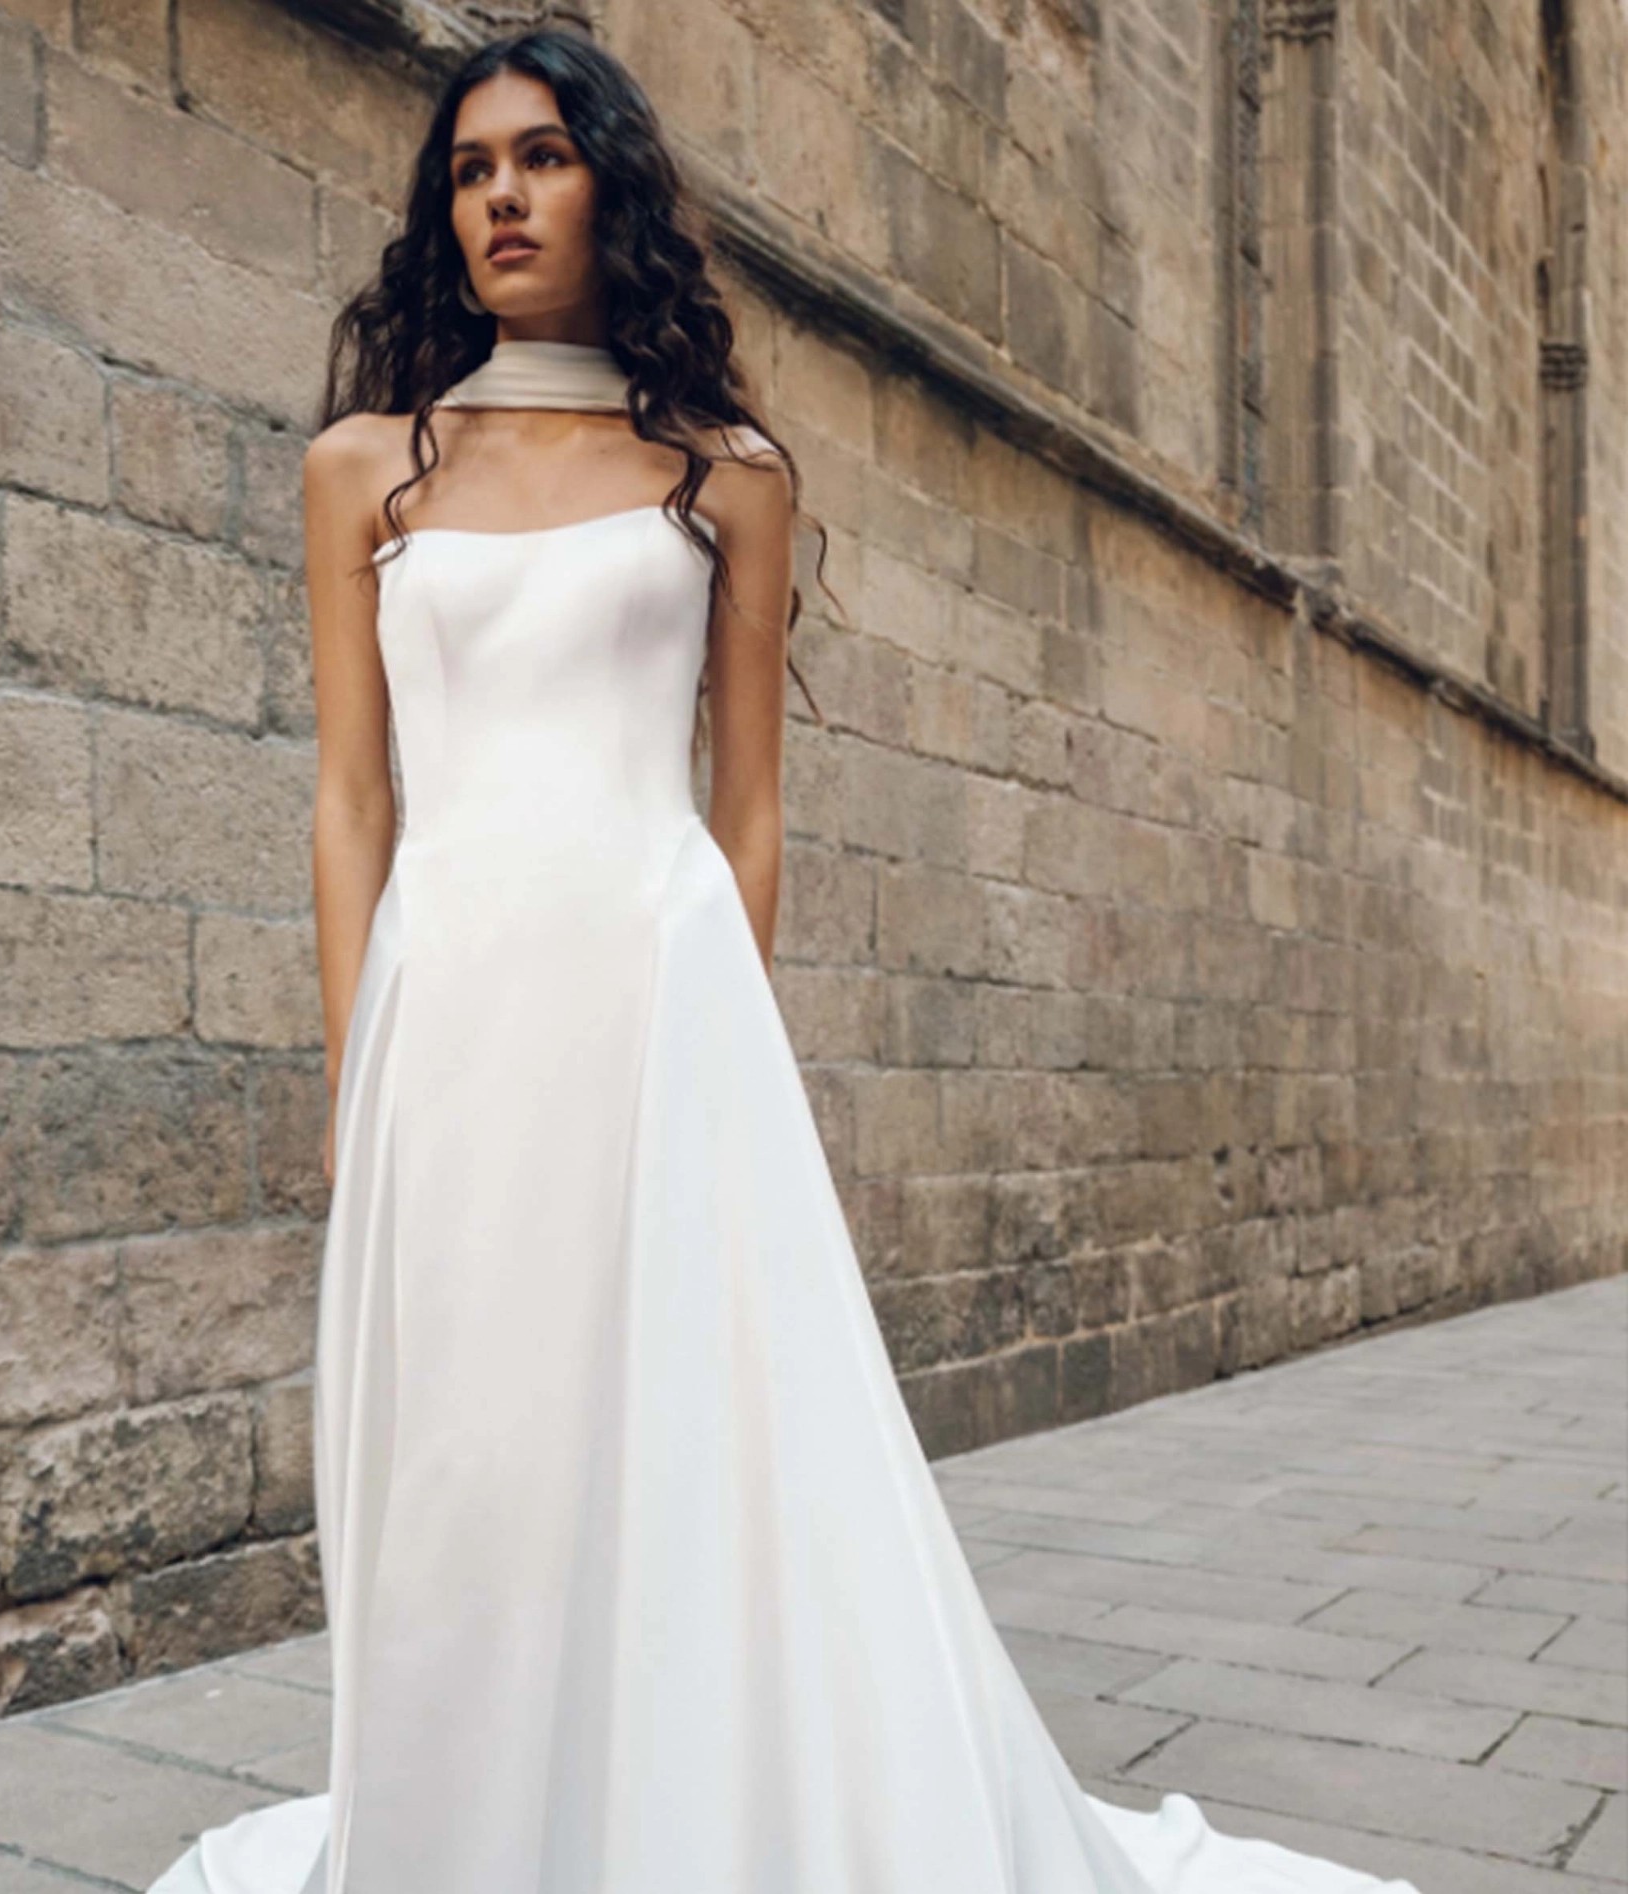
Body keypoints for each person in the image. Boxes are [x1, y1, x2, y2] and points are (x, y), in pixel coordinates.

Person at [148, 27, 1417, 1894]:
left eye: (545, 157)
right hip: (455, 1013)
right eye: (473, 165)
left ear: (615, 192)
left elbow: (746, 812)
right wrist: (358, 1074)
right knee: (469, 1464)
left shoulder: (726, 474)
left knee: (673, 1451)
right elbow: (351, 801)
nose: (501, 192)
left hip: (657, 1013)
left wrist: (715, 1054)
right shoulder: (365, 468)